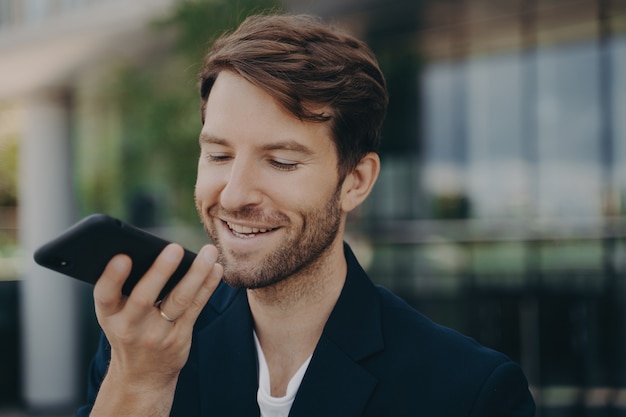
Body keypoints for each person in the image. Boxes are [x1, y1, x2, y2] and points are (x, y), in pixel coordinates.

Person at [77, 13, 535, 417]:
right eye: (218, 155)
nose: (234, 196)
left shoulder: (467, 391)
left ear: (355, 181)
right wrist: (138, 387)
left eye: (281, 162)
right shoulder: (145, 349)